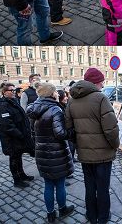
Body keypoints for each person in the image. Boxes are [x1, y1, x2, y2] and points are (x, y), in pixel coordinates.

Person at [65, 68, 120, 224]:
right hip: (103, 155)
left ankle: (91, 215)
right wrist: (115, 145)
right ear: (96, 82)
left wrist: (80, 144)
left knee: (90, 186)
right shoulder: (101, 99)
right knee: (102, 188)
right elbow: (111, 129)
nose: (103, 85)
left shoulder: (71, 100)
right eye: (101, 81)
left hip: (85, 154)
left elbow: (69, 128)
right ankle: (102, 217)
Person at [26, 83, 75, 223]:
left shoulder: (33, 109)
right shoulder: (55, 109)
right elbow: (60, 134)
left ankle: (50, 214)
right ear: (51, 94)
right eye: (55, 92)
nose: (57, 94)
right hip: (56, 153)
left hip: (41, 152)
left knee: (48, 184)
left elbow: (33, 132)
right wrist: (71, 132)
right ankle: (63, 209)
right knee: (59, 184)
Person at [0, 82, 35, 188]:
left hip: (19, 137)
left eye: (14, 90)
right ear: (4, 92)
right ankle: (17, 180)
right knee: (14, 158)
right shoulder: (2, 105)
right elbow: (7, 125)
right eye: (11, 90)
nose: (13, 92)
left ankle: (22, 175)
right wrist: (20, 134)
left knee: (18, 157)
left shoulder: (13, 101)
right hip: (12, 139)